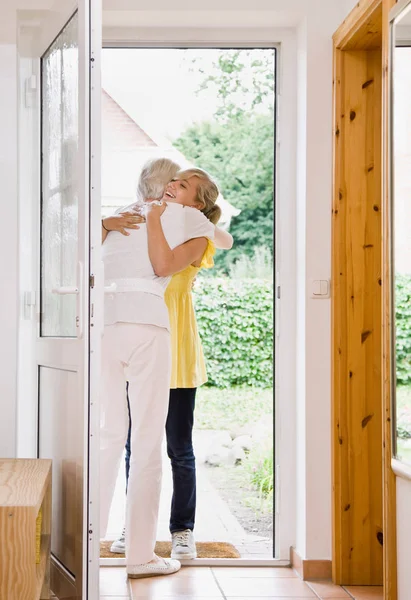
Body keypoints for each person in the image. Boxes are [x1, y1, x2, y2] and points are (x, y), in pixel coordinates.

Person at [100, 159, 228, 579]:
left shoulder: (193, 230)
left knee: (170, 443)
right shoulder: (143, 214)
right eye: (175, 178)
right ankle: (128, 541)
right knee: (122, 439)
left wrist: (155, 217)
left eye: (186, 183)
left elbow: (162, 265)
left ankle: (175, 532)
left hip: (165, 337)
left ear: (200, 202)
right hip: (123, 326)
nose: (176, 184)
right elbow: (99, 250)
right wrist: (106, 221)